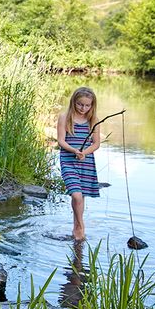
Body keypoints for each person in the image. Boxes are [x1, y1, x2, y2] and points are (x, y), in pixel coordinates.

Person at [57, 86, 101, 241]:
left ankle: (76, 226)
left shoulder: (93, 120)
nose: (83, 108)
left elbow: (96, 144)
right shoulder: (65, 117)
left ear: (92, 105)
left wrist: (84, 153)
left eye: (87, 105)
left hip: (86, 161)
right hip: (68, 160)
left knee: (81, 197)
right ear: (73, 102)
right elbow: (61, 141)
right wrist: (75, 151)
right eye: (80, 104)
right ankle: (80, 226)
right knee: (76, 195)